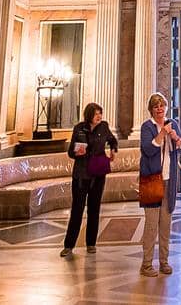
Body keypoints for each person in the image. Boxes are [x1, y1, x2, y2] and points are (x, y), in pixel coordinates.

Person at [60, 102, 117, 257]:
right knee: (77, 210)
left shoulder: (104, 127)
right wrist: (75, 153)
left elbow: (112, 140)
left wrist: (113, 150)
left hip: (98, 174)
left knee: (94, 209)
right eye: (96, 113)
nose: (99, 116)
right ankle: (69, 245)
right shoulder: (79, 128)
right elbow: (71, 151)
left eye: (100, 113)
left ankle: (91, 243)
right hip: (81, 174)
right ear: (89, 114)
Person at [137, 91, 181, 277]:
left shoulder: (173, 124)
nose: (159, 109)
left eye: (162, 105)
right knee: (151, 225)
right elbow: (148, 149)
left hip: (168, 181)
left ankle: (164, 262)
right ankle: (146, 264)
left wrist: (176, 138)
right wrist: (162, 134)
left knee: (165, 224)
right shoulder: (146, 127)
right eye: (156, 106)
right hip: (151, 180)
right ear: (151, 109)